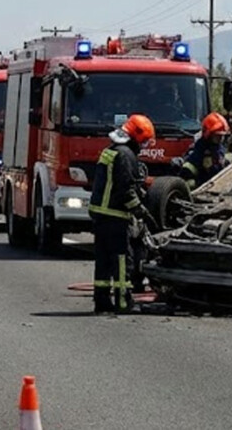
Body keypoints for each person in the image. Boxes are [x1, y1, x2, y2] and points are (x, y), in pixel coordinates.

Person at [88, 114, 157, 314]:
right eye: (143, 142)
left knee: (103, 260)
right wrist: (140, 211)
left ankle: (101, 301)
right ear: (135, 137)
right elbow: (126, 190)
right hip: (115, 216)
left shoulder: (110, 150)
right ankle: (123, 302)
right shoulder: (126, 155)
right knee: (121, 260)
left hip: (100, 215)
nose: (143, 146)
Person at [180, 112, 231, 189]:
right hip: (202, 188)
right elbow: (188, 171)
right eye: (217, 135)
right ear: (208, 134)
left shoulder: (220, 148)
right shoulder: (199, 150)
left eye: (222, 135)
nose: (220, 138)